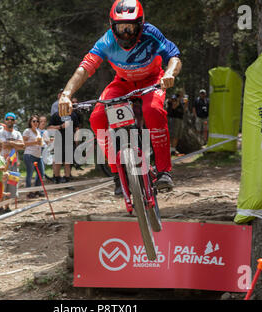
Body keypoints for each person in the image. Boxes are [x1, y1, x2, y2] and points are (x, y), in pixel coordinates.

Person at [58, 0, 181, 195]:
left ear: (140, 24)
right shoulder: (107, 41)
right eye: (120, 27)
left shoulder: (151, 34)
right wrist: (66, 95)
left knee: (153, 110)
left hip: (152, 80)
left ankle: (164, 172)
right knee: (96, 118)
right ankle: (117, 174)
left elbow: (174, 56)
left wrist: (169, 74)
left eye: (131, 27)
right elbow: (84, 69)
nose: (125, 33)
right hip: (123, 82)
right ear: (112, 26)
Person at [0, 112, 24, 210]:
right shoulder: (1, 132)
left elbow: (22, 146)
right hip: (3, 162)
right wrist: (15, 143)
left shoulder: (17, 133)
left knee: (12, 184)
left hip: (14, 162)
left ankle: (7, 206)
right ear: (5, 120)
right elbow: (3, 145)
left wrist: (11, 143)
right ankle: (0, 207)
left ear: (15, 121)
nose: (10, 121)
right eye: (8, 119)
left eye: (12, 119)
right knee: (2, 184)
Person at [48, 110, 80, 185]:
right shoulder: (56, 114)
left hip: (69, 141)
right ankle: (57, 179)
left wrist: (77, 139)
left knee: (67, 162)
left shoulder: (73, 115)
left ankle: (67, 180)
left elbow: (77, 128)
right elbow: (49, 127)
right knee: (58, 162)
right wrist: (60, 126)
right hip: (58, 141)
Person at [23, 115, 45, 198]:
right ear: (30, 122)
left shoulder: (38, 131)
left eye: (37, 121)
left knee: (41, 173)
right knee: (30, 174)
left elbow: (40, 143)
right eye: (34, 121)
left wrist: (47, 142)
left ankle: (36, 190)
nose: (36, 123)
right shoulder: (27, 131)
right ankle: (28, 192)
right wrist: (35, 143)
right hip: (29, 155)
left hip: (38, 155)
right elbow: (23, 143)